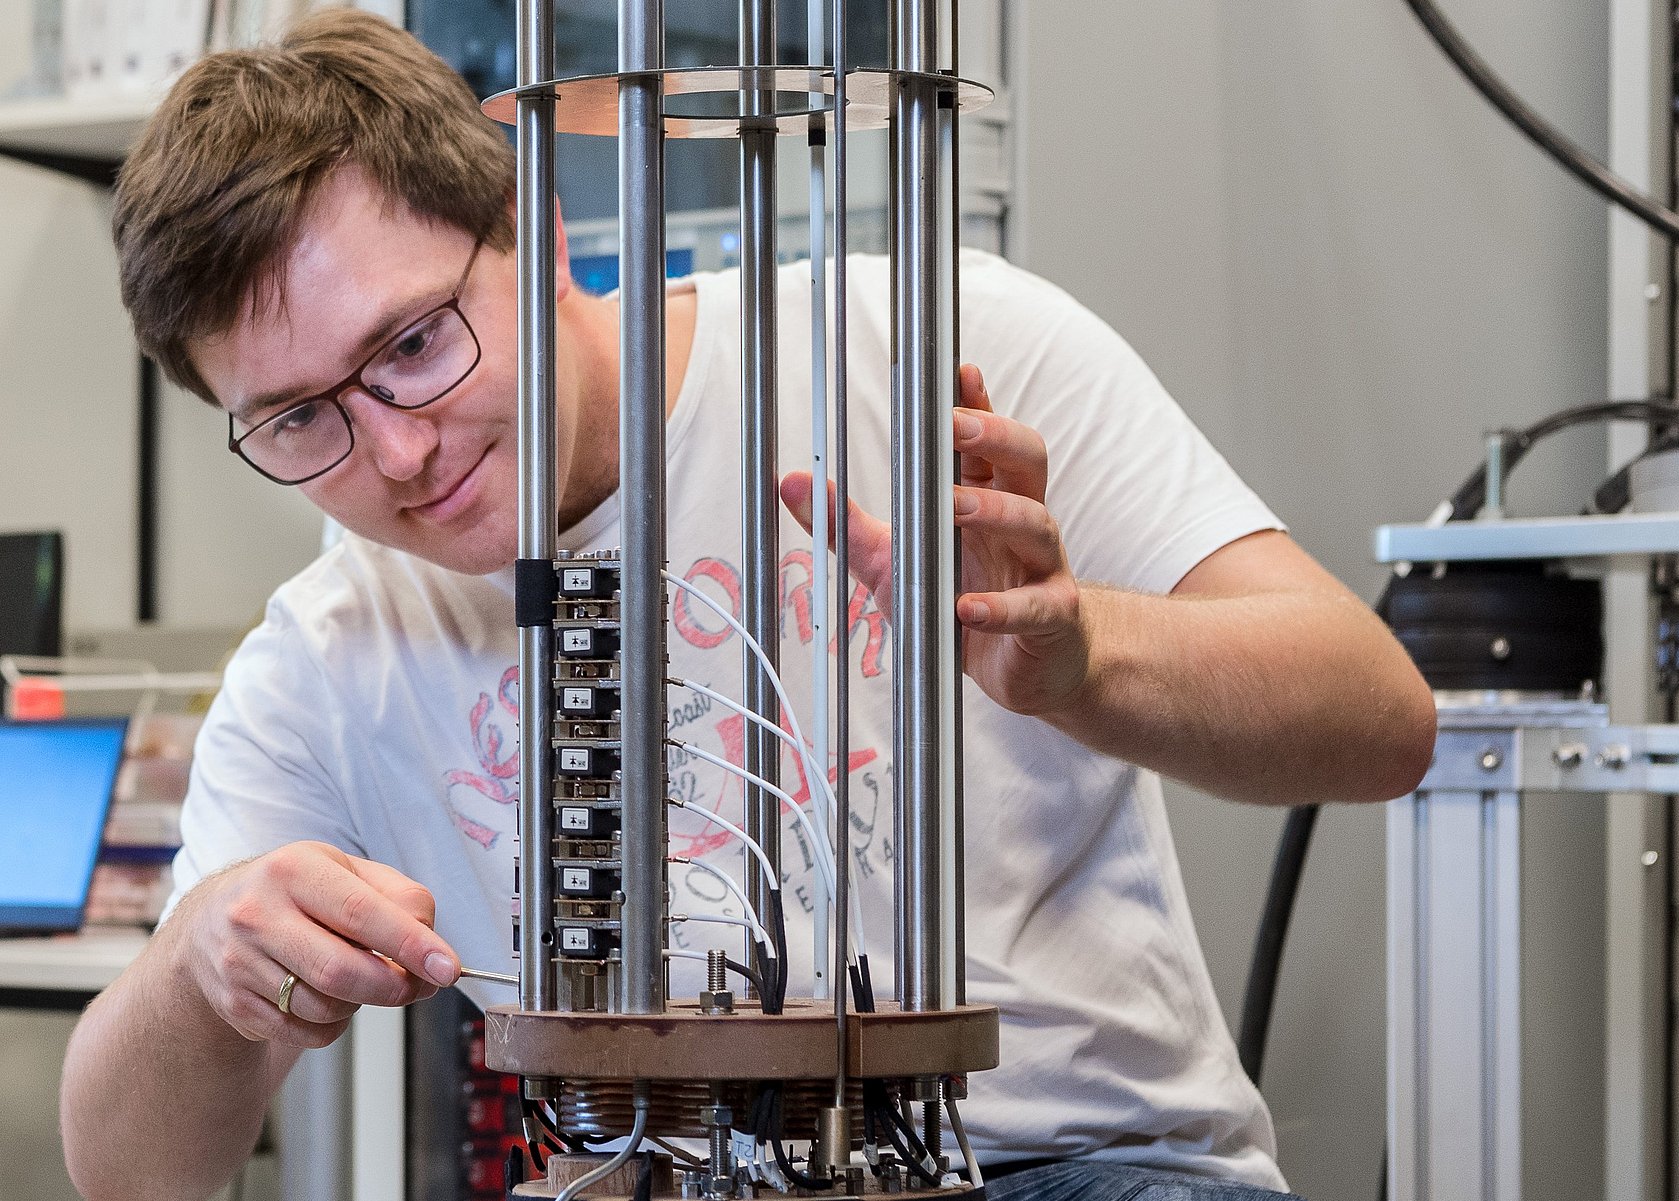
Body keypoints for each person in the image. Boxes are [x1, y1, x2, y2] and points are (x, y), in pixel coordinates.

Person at [60, 10, 1436, 1201]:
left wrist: (1088, 662)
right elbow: (128, 1174)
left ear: (539, 232)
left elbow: (1379, 720)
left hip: (1076, 1165)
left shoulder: (937, 353)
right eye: (303, 419)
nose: (400, 452)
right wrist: (199, 970)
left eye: (415, 344)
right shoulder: (327, 657)